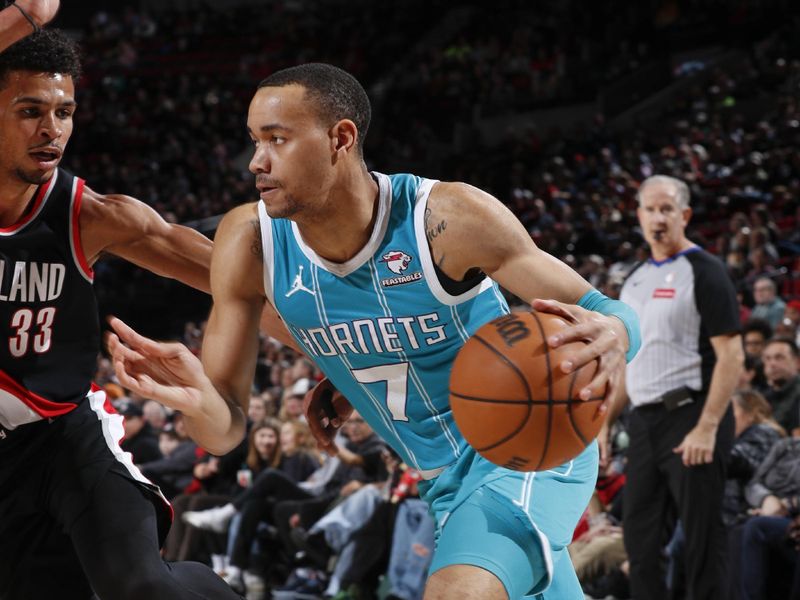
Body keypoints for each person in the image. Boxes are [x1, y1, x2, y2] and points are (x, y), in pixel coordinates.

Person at [108, 62, 640, 599]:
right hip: (440, 482)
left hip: (529, 446)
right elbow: (222, 433)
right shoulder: (248, 241)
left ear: (341, 138)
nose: (256, 162)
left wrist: (616, 334)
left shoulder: (448, 219)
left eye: (277, 139)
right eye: (254, 140)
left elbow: (603, 307)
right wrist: (200, 399)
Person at [0, 29, 242, 599]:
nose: (51, 129)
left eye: (64, 112)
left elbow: (233, 284)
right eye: (30, 111)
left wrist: (333, 348)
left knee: (141, 588)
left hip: (62, 437)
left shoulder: (89, 215)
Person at [606, 175, 743, 600]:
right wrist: (603, 424)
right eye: (650, 209)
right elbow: (631, 363)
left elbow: (732, 356)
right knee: (640, 547)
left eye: (667, 209)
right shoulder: (634, 280)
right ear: (639, 216)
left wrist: (707, 427)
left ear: (684, 215)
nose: (658, 218)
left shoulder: (706, 271)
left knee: (703, 544)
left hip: (692, 415)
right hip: (644, 423)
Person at [761, 337, 800, 435]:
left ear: (797, 362)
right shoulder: (762, 396)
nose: (772, 364)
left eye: (779, 358)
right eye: (767, 358)